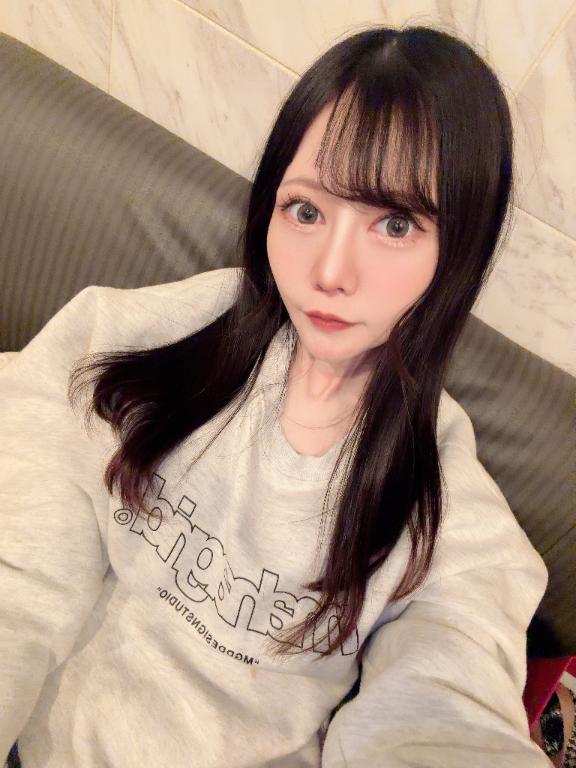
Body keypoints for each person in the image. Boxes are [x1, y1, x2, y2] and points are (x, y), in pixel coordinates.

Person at [0, 24, 550, 768]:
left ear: (458, 252)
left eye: (395, 224)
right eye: (306, 210)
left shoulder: (442, 510)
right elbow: (18, 567)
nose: (330, 272)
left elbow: (443, 710)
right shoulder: (153, 338)